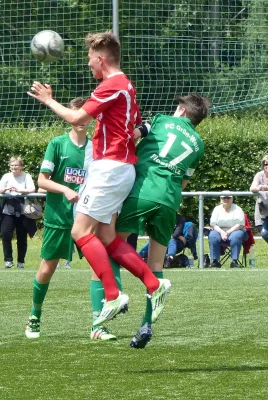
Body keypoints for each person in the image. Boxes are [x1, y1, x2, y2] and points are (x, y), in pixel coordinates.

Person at [27, 31, 168, 328]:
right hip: (119, 169)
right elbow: (134, 130)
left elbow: (78, 119)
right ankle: (154, 285)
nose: (88, 64)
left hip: (110, 169)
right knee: (106, 237)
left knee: (80, 232)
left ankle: (113, 294)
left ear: (101, 59)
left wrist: (49, 100)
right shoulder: (126, 86)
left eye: (90, 59)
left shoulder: (112, 84)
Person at [111, 93, 211, 348]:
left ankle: (114, 297)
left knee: (113, 245)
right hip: (169, 200)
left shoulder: (160, 120)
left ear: (183, 112)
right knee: (156, 260)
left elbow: (132, 135)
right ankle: (146, 324)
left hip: (144, 190)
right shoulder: (198, 144)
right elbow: (184, 181)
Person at [25, 97, 95, 339]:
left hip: (87, 218)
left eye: (85, 114)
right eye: (76, 114)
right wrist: (65, 189)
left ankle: (98, 323)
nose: (81, 119)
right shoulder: (57, 144)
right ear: (68, 115)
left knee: (99, 267)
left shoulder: (95, 147)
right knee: (48, 267)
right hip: (58, 216)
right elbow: (42, 180)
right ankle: (35, 316)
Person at [0, 156, 36, 268]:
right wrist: (5, 189)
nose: (14, 167)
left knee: (22, 236)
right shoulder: (6, 176)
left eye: (16, 165)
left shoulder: (26, 176)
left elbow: (32, 189)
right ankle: (8, 260)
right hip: (8, 209)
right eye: (12, 165)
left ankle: (20, 262)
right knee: (5, 234)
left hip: (23, 208)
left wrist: (19, 190)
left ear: (21, 166)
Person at [208, 192, 246, 268]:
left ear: (232, 199)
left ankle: (234, 261)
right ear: (220, 199)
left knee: (236, 236)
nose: (226, 199)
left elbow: (239, 224)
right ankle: (215, 261)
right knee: (212, 235)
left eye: (228, 197)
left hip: (235, 230)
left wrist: (227, 232)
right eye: (223, 198)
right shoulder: (217, 209)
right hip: (219, 231)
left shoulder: (237, 209)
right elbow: (213, 224)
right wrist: (222, 232)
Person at [250, 155, 268, 242]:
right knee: (264, 233)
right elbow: (252, 187)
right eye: (265, 164)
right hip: (263, 210)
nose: (267, 166)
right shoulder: (259, 175)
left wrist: (265, 187)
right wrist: (257, 188)